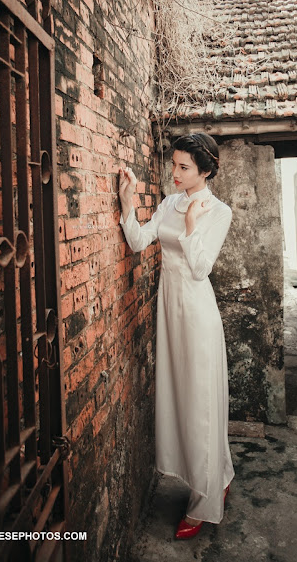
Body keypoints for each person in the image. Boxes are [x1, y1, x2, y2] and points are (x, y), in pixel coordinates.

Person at [118, 132, 234, 539]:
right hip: (170, 311)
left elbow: (201, 268)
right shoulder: (169, 201)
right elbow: (138, 241)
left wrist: (189, 226)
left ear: (206, 170)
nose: (176, 173)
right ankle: (221, 473)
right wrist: (127, 201)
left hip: (198, 314)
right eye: (175, 165)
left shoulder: (219, 212)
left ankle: (205, 501)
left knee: (202, 402)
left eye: (184, 167)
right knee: (184, 396)